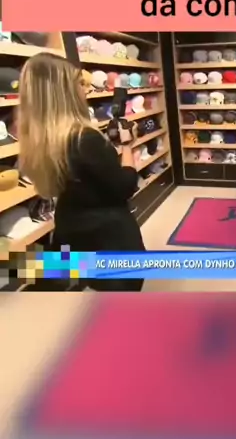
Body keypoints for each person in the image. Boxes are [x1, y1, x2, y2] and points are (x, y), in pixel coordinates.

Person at [18, 52, 146, 291]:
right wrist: (128, 145)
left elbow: (82, 175)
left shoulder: (39, 139)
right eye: (79, 82)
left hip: (73, 229)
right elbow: (125, 186)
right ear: (62, 91)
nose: (85, 89)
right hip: (108, 237)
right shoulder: (83, 138)